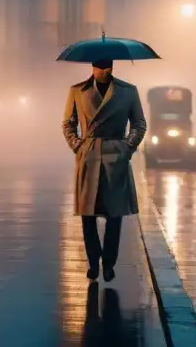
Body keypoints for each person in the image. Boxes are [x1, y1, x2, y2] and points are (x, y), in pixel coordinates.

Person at [62, 58, 148, 282]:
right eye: (101, 66)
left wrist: (127, 148)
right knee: (87, 214)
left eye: (108, 66)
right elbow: (68, 123)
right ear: (92, 67)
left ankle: (108, 263)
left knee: (114, 213)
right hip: (88, 155)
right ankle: (93, 262)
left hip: (114, 156)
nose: (105, 70)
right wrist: (77, 146)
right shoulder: (77, 91)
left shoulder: (128, 91)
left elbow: (139, 123)